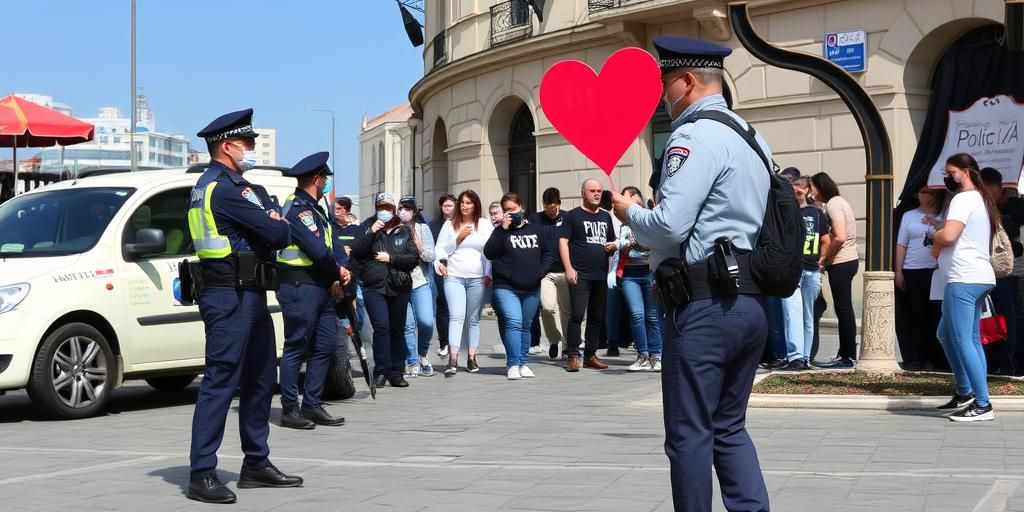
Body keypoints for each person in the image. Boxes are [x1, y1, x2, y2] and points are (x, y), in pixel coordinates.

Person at [610, 37, 773, 512]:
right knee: (729, 427)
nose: (663, 98)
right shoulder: (751, 135)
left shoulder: (690, 136)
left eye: (666, 86)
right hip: (749, 300)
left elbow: (669, 225)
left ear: (686, 82)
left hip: (702, 306)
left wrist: (630, 212)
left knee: (689, 435)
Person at [186, 109, 301, 503]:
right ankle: (202, 473)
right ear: (226, 146)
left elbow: (275, 230)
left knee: (259, 378)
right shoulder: (225, 188)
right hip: (228, 295)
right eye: (246, 143)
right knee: (221, 381)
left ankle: (256, 463)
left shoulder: (228, 184)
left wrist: (272, 222)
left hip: (249, 292)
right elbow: (277, 230)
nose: (251, 149)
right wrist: (272, 221)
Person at [275, 152, 350, 430]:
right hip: (299, 285)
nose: (327, 184)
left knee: (326, 345)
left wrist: (342, 267)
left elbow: (334, 244)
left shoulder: (317, 209)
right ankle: (290, 409)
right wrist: (338, 271)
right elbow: (318, 250)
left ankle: (312, 403)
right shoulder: (298, 209)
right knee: (297, 346)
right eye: (325, 180)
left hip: (321, 286)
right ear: (317, 180)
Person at [930, 153, 998, 421]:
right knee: (949, 333)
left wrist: (933, 234)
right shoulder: (982, 199)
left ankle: (982, 403)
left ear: (965, 172)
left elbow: (948, 235)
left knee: (962, 339)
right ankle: (967, 392)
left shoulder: (963, 198)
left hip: (963, 277)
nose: (948, 178)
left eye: (951, 172)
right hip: (978, 276)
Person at [350, 193, 420, 389]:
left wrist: (391, 259)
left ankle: (397, 372)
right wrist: (371, 232)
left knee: (397, 330)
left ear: (394, 208)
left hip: (399, 285)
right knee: (381, 328)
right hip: (375, 286)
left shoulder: (404, 230)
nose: (384, 211)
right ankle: (381, 370)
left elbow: (413, 258)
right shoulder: (367, 226)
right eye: (380, 206)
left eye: (388, 207)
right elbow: (356, 249)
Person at [484, 192, 555, 379]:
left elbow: (548, 254)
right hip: (506, 286)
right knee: (514, 322)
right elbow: (489, 252)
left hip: (531, 286)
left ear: (522, 207)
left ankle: (523, 362)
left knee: (526, 325)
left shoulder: (537, 230)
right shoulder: (500, 231)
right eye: (506, 210)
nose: (510, 213)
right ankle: (513, 364)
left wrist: (540, 273)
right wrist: (502, 229)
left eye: (513, 209)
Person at [434, 190, 493, 376]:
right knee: (456, 316)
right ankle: (452, 359)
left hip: (477, 277)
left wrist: (488, 273)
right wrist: (458, 238)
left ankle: (471, 357)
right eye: (462, 203)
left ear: (475, 204)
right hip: (454, 276)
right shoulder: (450, 225)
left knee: (473, 319)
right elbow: (440, 250)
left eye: (469, 202)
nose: (465, 206)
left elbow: (490, 252)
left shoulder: (484, 224)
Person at [561, 178, 617, 371]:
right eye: (592, 190)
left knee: (596, 316)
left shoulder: (605, 216)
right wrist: (568, 268)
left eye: (599, 191)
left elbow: (611, 241)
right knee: (577, 315)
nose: (596, 194)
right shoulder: (572, 216)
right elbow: (563, 242)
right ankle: (573, 355)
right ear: (582, 193)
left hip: (600, 273)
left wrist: (612, 247)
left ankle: (590, 355)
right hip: (580, 273)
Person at [607, 186, 662, 372]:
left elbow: (652, 243)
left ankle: (657, 354)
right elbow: (622, 245)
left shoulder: (650, 220)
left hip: (648, 272)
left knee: (652, 316)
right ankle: (643, 355)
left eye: (631, 196)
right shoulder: (624, 224)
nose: (627, 200)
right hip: (630, 274)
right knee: (637, 315)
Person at [779, 175, 831, 371]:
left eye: (803, 186)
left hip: (811, 269)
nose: (798, 189)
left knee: (807, 315)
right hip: (792, 268)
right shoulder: (786, 211)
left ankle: (806, 356)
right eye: (795, 186)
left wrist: (822, 261)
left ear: (809, 190)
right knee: (792, 313)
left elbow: (826, 240)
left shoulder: (816, 213)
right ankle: (795, 356)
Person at [811, 172, 859, 369]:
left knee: (844, 309)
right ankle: (845, 354)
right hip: (846, 260)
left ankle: (847, 356)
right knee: (844, 308)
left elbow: (839, 236)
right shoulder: (839, 202)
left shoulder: (833, 204)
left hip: (841, 261)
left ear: (821, 187)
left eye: (812, 188)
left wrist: (823, 259)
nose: (812, 193)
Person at [895, 185, 945, 371]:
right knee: (916, 315)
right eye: (923, 192)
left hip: (935, 270)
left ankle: (937, 358)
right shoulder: (909, 216)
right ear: (917, 194)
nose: (927, 196)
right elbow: (901, 244)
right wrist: (898, 271)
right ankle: (917, 357)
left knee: (935, 316)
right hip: (913, 269)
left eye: (931, 192)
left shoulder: (944, 215)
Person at [980, 167, 1023, 375]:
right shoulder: (981, 208)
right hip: (984, 272)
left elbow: (1016, 243)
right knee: (987, 317)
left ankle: (1008, 363)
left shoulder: (1016, 207)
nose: (985, 193)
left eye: (988, 189)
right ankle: (991, 362)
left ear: (999, 187)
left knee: (1007, 317)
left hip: (1008, 273)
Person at [532, 187, 572, 360]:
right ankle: (554, 339)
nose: (551, 210)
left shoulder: (567, 217)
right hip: (545, 272)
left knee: (566, 310)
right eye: (548, 207)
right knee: (547, 308)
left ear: (559, 204)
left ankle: (567, 344)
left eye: (554, 207)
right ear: (543, 205)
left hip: (564, 270)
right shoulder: (535, 219)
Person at [399, 196, 436, 378]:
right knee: (407, 325)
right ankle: (412, 361)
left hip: (420, 281)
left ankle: (423, 354)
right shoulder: (394, 229)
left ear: (414, 211)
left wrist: (421, 248)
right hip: (400, 283)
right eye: (401, 208)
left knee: (426, 321)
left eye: (407, 208)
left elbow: (431, 256)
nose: (403, 212)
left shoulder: (423, 228)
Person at [430, 194, 457, 357]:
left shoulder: (461, 223)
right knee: (443, 304)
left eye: (451, 205)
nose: (448, 208)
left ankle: (457, 341)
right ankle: (444, 341)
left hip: (458, 267)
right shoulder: (434, 225)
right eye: (445, 205)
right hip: (440, 267)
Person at [334, 197, 365, 333]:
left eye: (342, 209)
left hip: (355, 275)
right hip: (337, 275)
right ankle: (347, 342)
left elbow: (363, 247)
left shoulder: (356, 229)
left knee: (360, 305)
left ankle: (358, 335)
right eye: (336, 209)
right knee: (340, 310)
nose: (339, 212)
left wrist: (351, 249)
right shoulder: (330, 228)